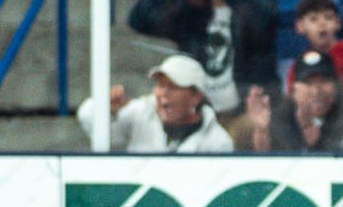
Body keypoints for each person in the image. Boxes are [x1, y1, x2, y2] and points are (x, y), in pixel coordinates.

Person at [127, 0, 281, 117]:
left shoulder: (259, 2)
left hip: (246, 112)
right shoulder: (191, 12)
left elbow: (264, 19)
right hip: (198, 113)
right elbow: (139, 21)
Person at [78, 52, 234, 153]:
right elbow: (90, 121)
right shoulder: (142, 111)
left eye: (173, 87)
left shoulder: (218, 143)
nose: (163, 93)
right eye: (160, 85)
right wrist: (105, 107)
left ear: (196, 96)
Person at [242, 48, 343, 153]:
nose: (316, 91)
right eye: (308, 83)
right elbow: (264, 162)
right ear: (294, 90)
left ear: (336, 86)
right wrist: (261, 131)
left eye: (324, 81)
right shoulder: (279, 119)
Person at [282, 0, 343, 106]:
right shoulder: (299, 64)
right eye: (313, 19)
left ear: (338, 23)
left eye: (328, 18)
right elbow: (292, 103)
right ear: (300, 26)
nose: (322, 24)